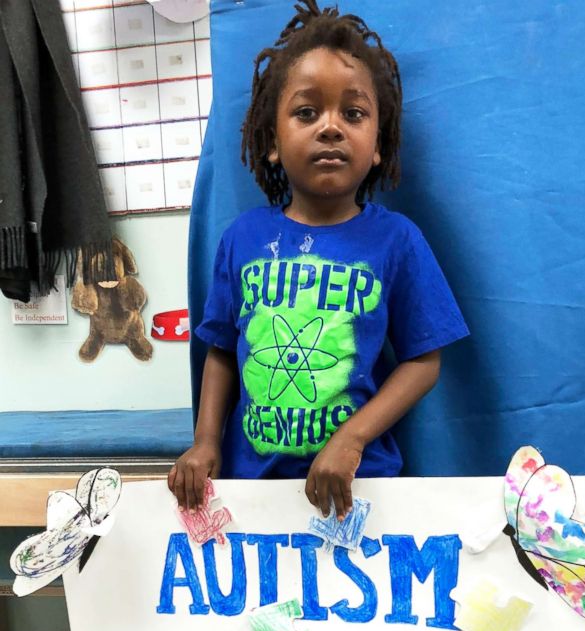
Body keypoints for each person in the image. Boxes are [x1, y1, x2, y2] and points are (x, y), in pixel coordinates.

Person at [169, 0, 469, 520]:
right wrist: (205, 440)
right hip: (250, 497)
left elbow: (425, 361)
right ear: (271, 143)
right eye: (307, 112)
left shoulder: (397, 241)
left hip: (359, 490)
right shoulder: (242, 238)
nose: (330, 128)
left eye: (353, 114)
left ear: (378, 145)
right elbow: (220, 348)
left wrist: (352, 439)